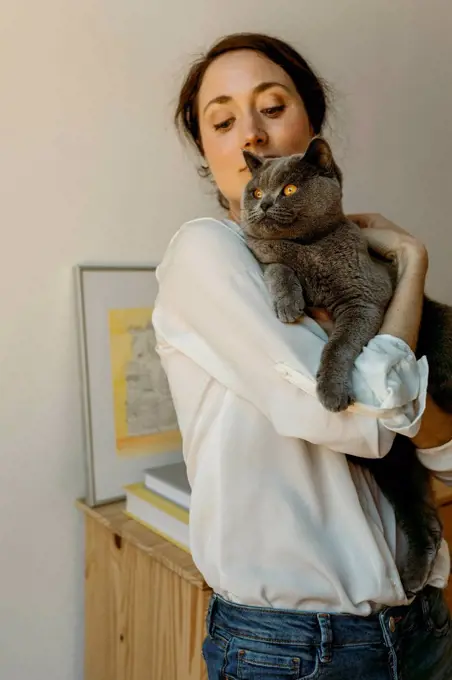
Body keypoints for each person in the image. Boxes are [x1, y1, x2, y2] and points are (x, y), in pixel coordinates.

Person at [152, 33, 452, 679]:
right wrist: (413, 262)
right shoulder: (207, 255)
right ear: (207, 151)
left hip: (421, 624)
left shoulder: (354, 260)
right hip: (295, 648)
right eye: (224, 120)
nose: (251, 136)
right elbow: (362, 418)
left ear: (313, 129)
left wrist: (397, 271)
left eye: (273, 106)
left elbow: (444, 456)